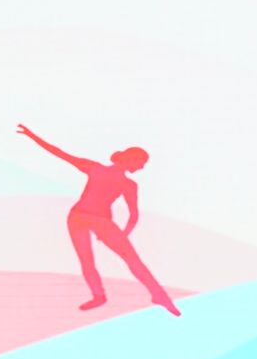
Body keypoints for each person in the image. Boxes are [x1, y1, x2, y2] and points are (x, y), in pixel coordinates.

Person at [15, 123, 180, 316]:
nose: (142, 167)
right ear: (131, 160)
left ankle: (158, 295)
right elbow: (59, 153)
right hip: (78, 218)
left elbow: (134, 215)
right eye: (141, 162)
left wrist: (123, 235)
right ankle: (99, 296)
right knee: (88, 259)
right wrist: (31, 135)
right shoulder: (96, 169)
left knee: (131, 260)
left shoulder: (127, 184)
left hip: (100, 220)